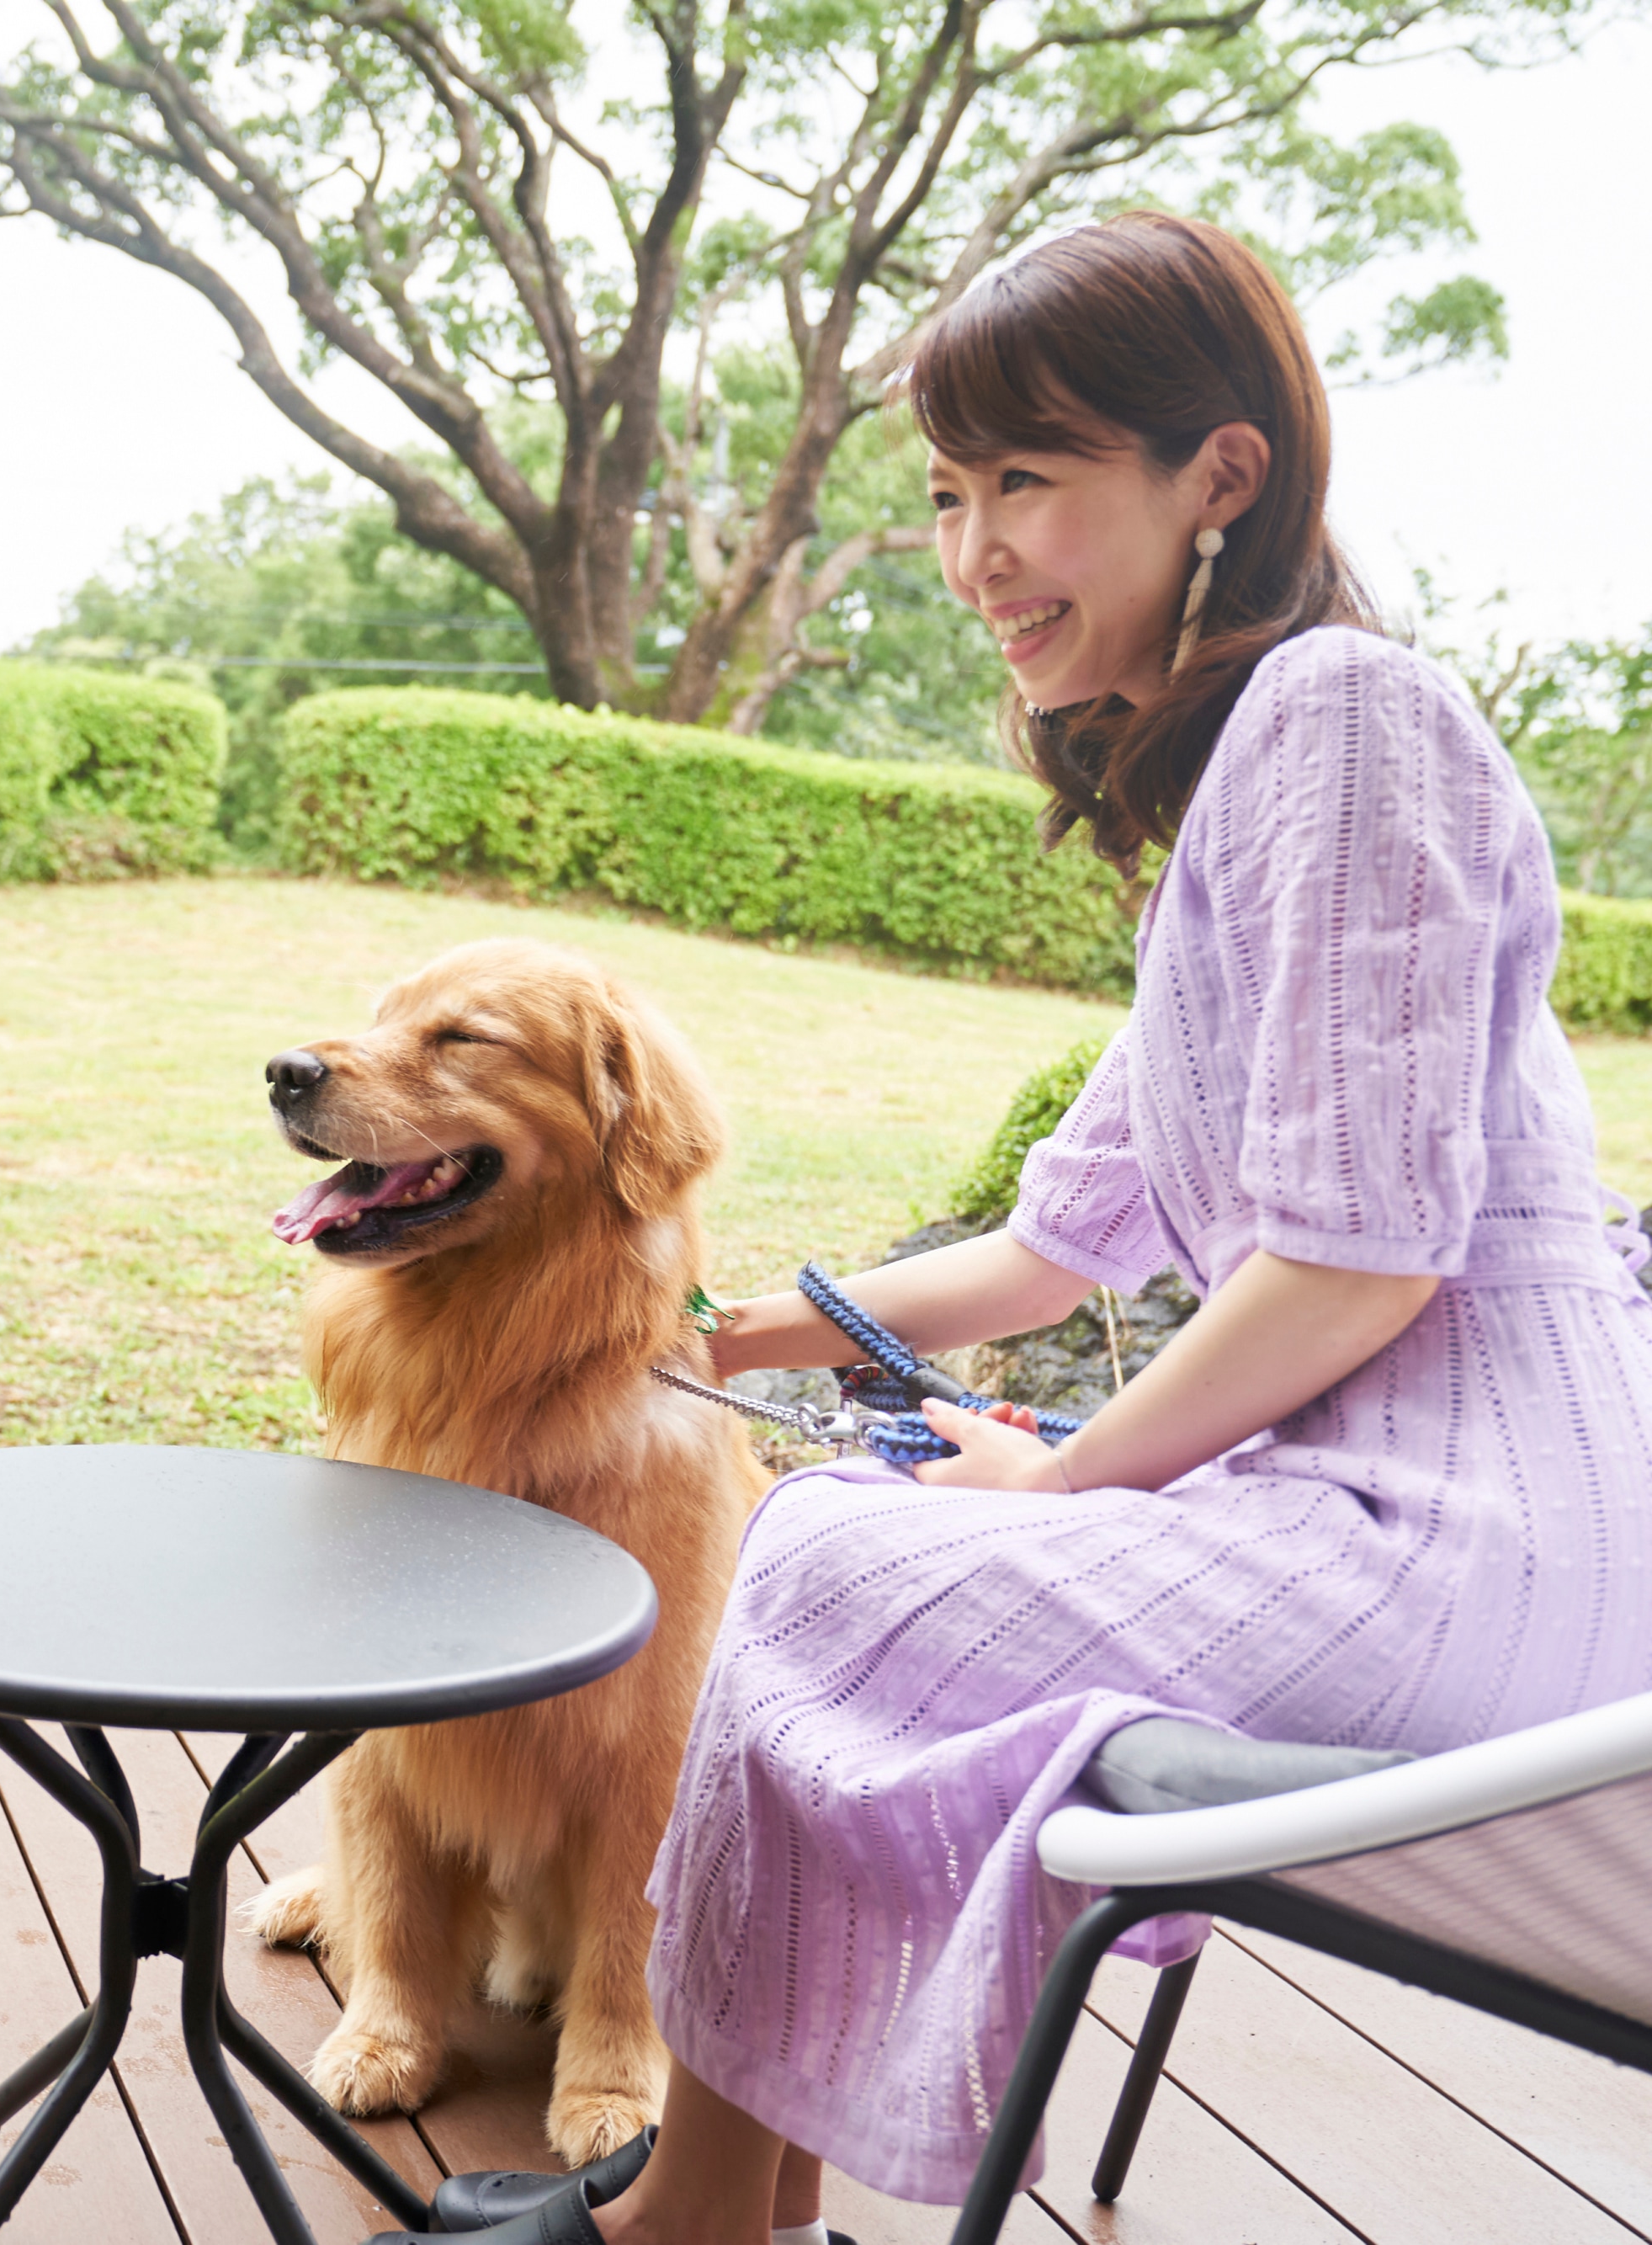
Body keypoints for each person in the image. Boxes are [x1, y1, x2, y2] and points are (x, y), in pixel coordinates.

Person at [388, 213, 1652, 2245]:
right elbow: (1043, 1253)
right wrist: (686, 1342)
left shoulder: (1338, 720)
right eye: (952, 494)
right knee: (847, 1517)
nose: (975, 555)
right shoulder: (1243, 793)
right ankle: (732, 2194)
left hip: (1475, 1547)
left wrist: (1062, 1479)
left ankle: (697, 2220)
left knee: (822, 1562)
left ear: (1215, 477)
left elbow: (1359, 1260)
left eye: (1030, 483)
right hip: (1397, 1513)